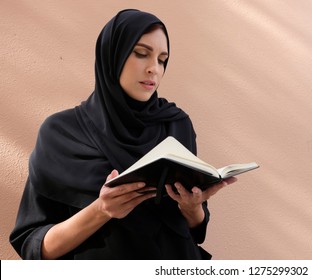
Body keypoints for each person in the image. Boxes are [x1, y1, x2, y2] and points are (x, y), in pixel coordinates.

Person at [9, 9, 237, 260]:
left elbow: (194, 229)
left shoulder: (176, 124)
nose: (154, 69)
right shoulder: (61, 133)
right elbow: (34, 248)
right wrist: (102, 210)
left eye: (162, 59)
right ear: (113, 55)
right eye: (141, 54)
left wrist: (193, 209)